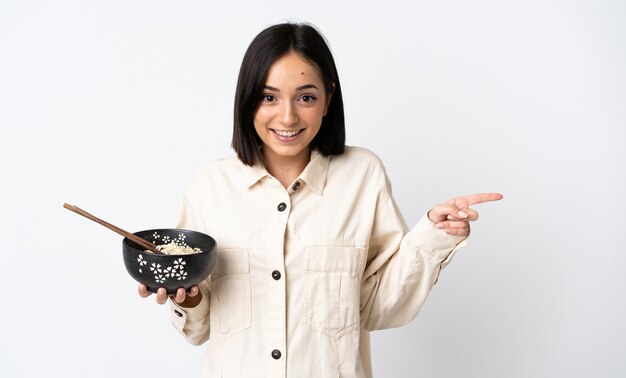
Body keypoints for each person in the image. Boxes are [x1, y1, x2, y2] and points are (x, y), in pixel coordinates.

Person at [138, 22, 502, 377]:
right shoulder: (210, 187)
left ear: (328, 98)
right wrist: (186, 298)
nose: (287, 116)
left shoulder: (363, 175)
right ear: (248, 101)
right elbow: (197, 330)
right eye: (268, 97)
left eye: (306, 98)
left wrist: (433, 237)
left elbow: (379, 308)